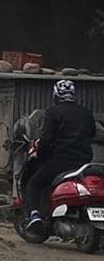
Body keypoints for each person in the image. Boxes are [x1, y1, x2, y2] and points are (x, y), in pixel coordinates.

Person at [23, 80, 98, 232]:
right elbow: (92, 134)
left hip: (60, 161)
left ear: (56, 95)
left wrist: (40, 154)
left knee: (34, 183)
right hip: (84, 162)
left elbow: (46, 139)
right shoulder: (86, 113)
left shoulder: (53, 112)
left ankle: (34, 216)